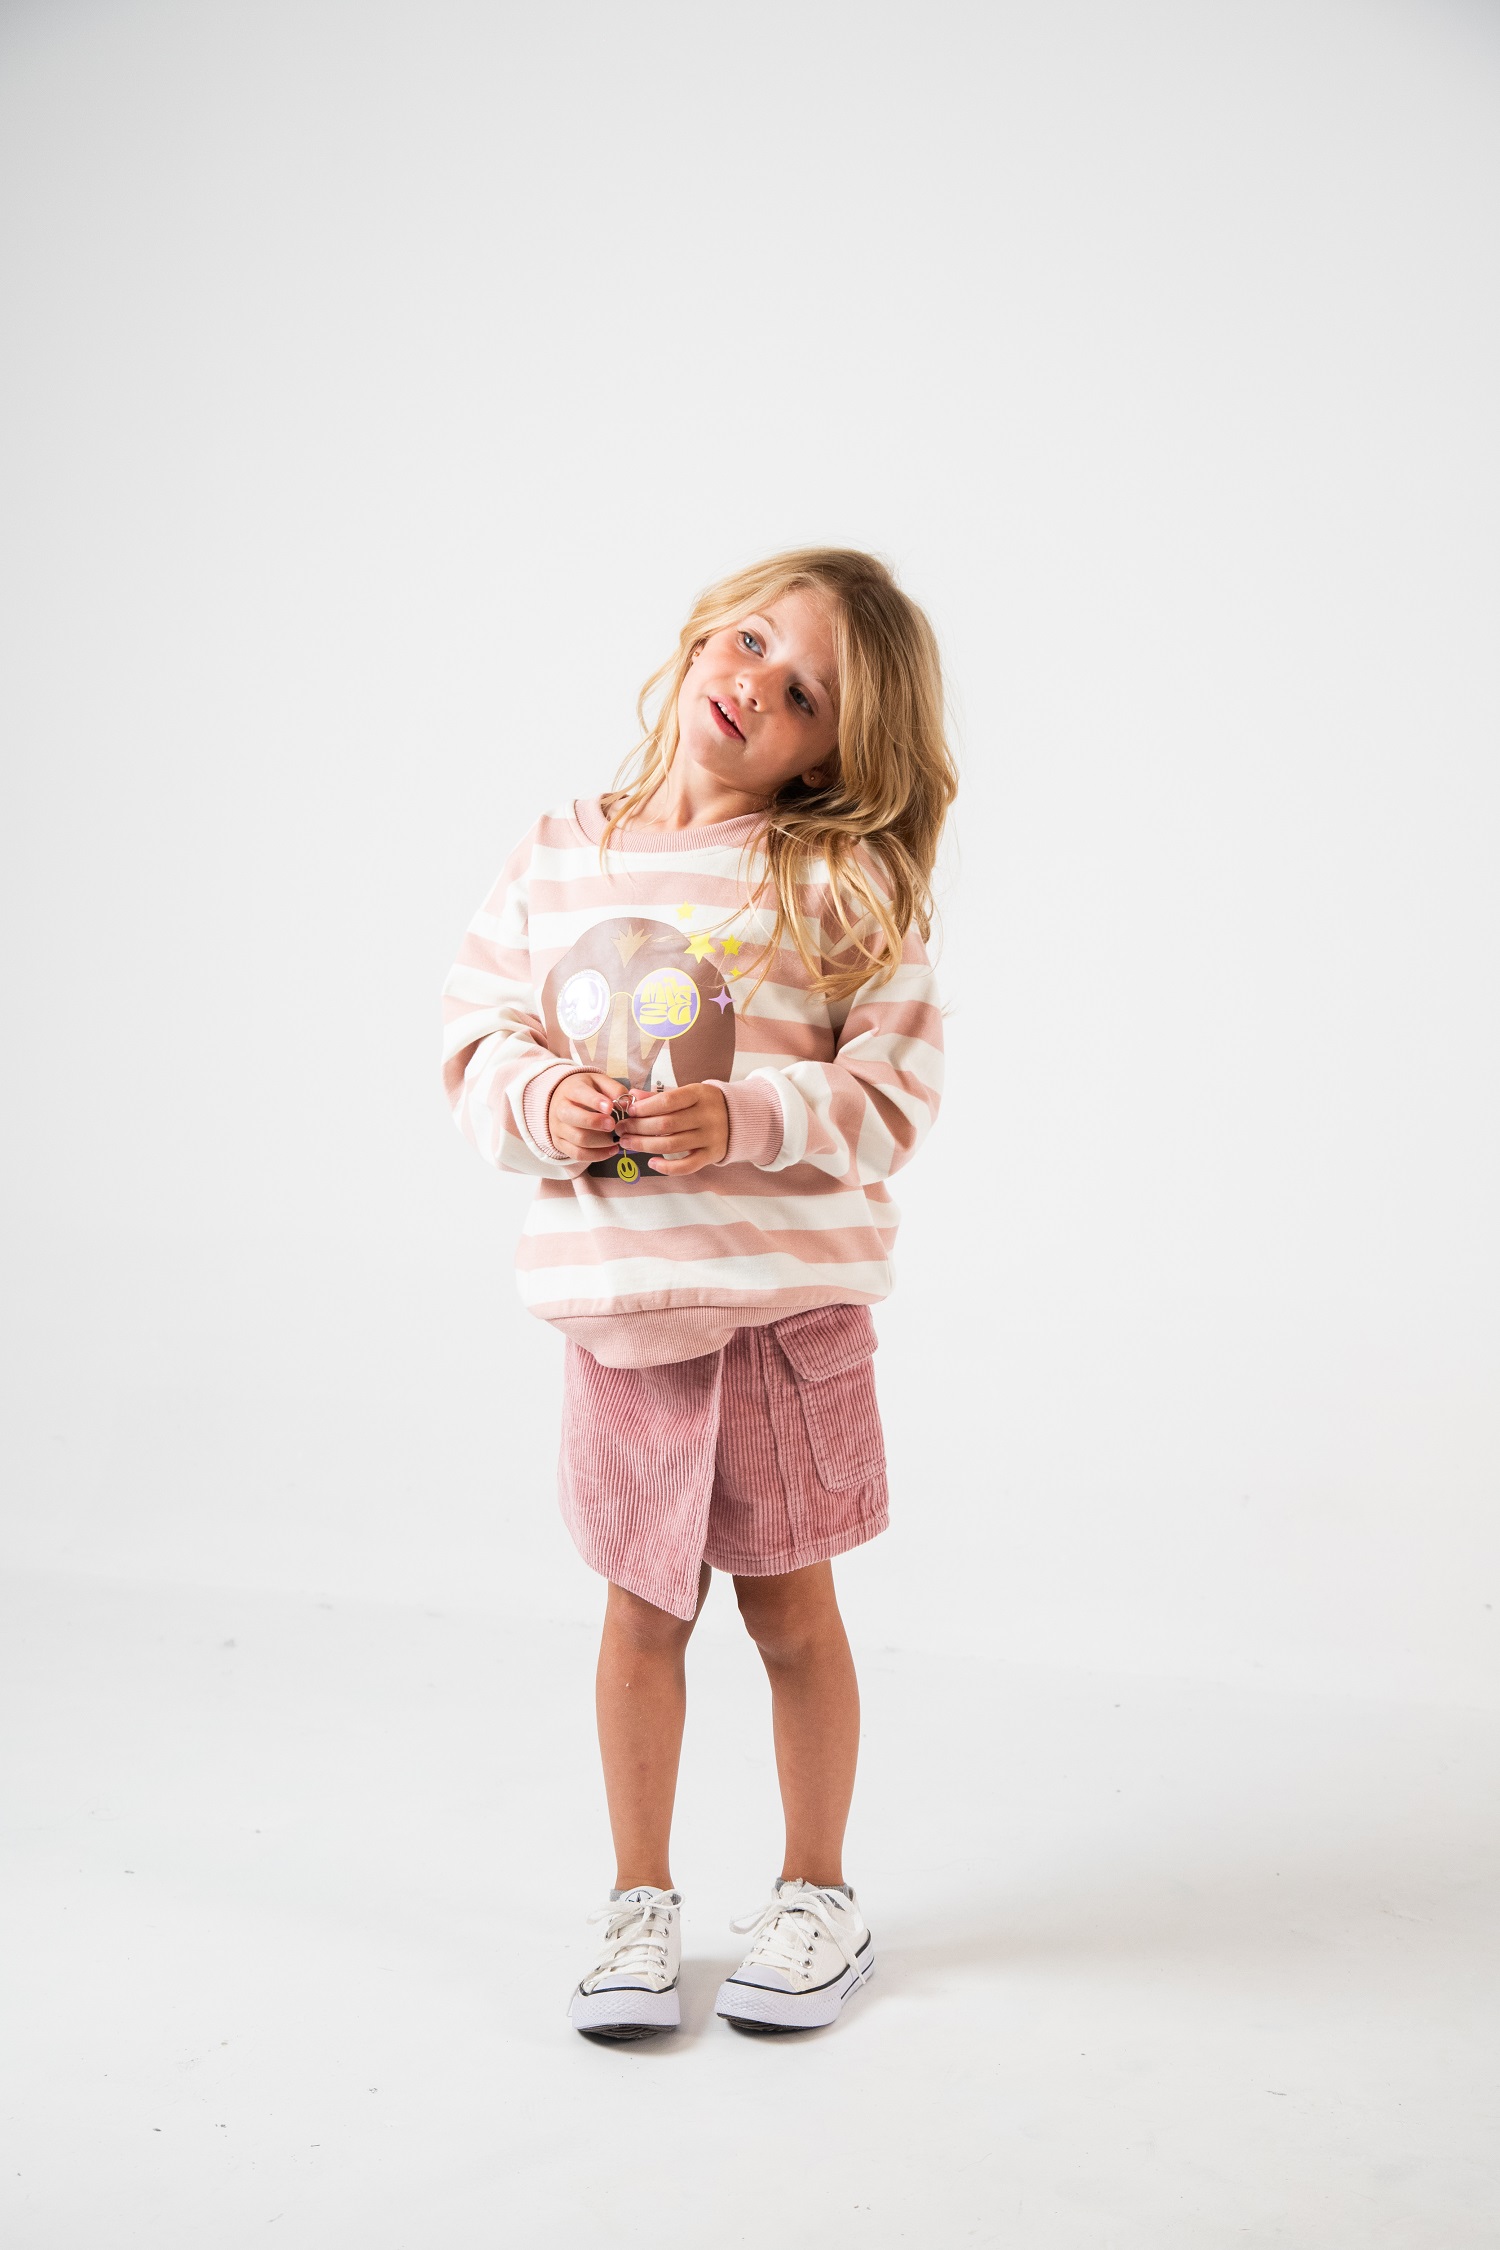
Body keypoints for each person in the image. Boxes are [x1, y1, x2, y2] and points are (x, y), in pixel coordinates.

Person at [441, 547, 955, 2040]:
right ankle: (638, 1901)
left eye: (806, 696)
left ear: (830, 757)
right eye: (750, 643)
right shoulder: (557, 853)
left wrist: (750, 1115)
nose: (757, 687)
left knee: (793, 1614)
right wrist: (542, 1099)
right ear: (696, 639)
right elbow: (476, 1038)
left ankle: (818, 1895)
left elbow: (894, 1092)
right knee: (640, 1614)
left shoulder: (838, 881)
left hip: (784, 1319)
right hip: (624, 1315)